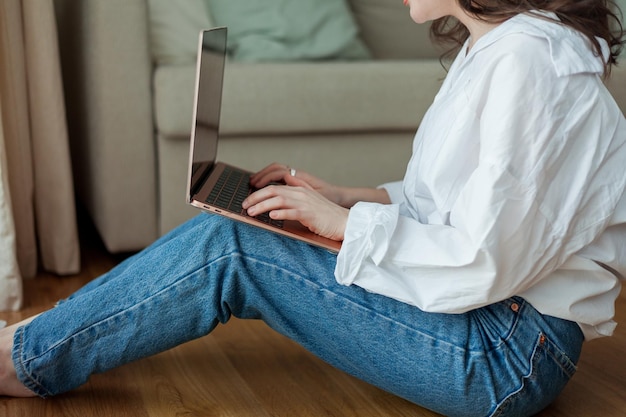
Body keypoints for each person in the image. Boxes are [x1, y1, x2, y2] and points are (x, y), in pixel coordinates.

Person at [1, 1, 625, 415]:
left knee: (235, 248)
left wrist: (348, 228)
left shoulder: (530, 61)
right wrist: (347, 199)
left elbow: (487, 259)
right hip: (499, 324)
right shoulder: (495, 49)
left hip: (505, 353)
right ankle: (47, 335)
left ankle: (27, 357)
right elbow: (451, 206)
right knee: (245, 229)